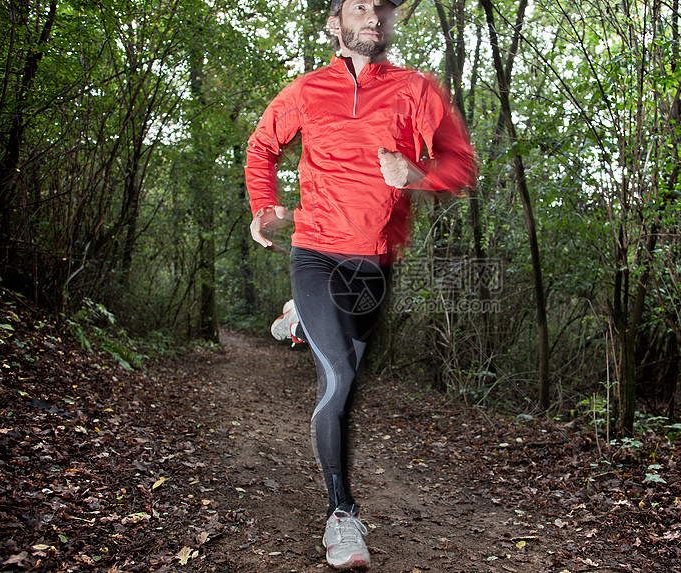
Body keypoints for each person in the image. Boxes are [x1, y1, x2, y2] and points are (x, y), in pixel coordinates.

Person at [244, 0, 476, 568]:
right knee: (339, 377)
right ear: (335, 23)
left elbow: (461, 164)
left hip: (373, 264)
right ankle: (341, 516)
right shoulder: (306, 91)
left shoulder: (417, 91)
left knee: (347, 363)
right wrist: (264, 206)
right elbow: (262, 147)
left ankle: (302, 314)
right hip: (316, 250)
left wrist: (420, 175)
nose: (373, 14)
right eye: (358, 6)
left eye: (381, 7)